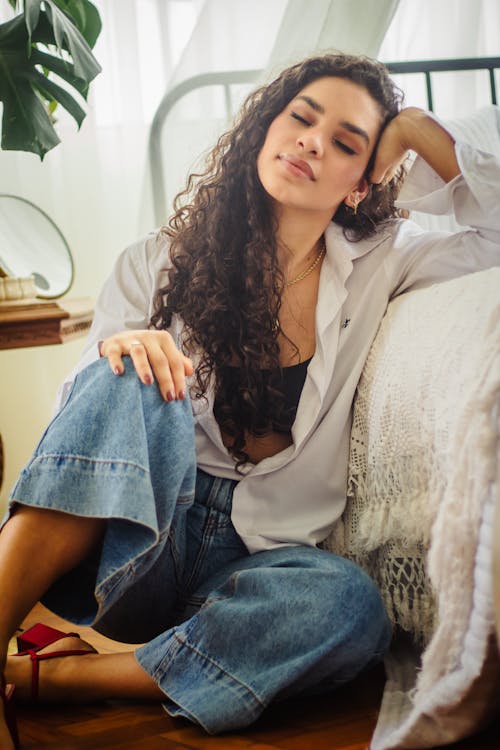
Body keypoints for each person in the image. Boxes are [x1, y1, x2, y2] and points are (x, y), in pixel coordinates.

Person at [1, 52, 498, 749]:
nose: (313, 141)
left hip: (256, 563)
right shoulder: (155, 259)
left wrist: (413, 129)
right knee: (131, 370)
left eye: (347, 141)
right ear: (263, 129)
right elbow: (83, 428)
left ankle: (61, 678)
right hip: (137, 542)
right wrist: (125, 351)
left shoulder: (387, 260)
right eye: (300, 117)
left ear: (364, 179)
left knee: (353, 609)